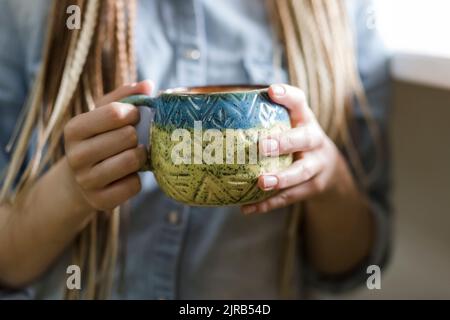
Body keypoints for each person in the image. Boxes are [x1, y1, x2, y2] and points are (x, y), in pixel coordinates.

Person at [0, 0, 391, 299]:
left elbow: (357, 264)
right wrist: (71, 189)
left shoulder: (338, 12)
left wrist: (328, 183)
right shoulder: (33, 11)